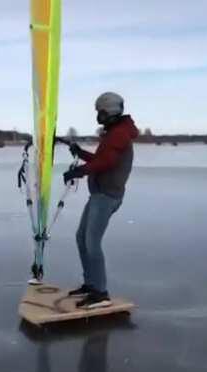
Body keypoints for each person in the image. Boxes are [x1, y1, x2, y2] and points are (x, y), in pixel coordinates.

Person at [63, 92, 139, 309]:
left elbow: (106, 163)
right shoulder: (114, 133)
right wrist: (81, 153)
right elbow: (102, 159)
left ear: (111, 111)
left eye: (101, 112)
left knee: (92, 242)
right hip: (99, 194)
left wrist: (79, 171)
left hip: (107, 196)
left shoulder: (119, 134)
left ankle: (101, 293)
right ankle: (91, 284)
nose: (98, 116)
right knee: (81, 238)